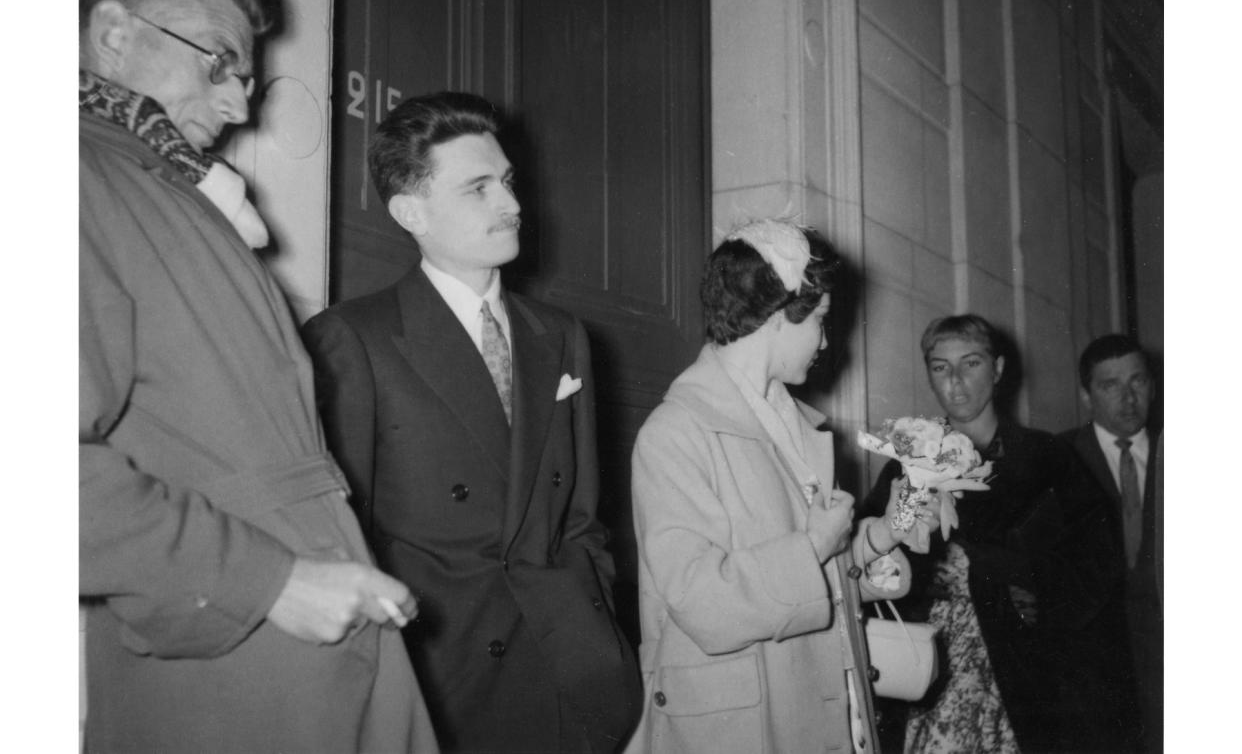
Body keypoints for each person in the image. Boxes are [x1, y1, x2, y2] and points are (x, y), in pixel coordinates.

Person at [79, 0, 437, 752]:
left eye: (247, 77)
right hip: (235, 666)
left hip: (302, 646)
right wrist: (266, 581)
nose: (241, 106)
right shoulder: (74, 179)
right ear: (114, 34)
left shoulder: (166, 190)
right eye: (216, 63)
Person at [302, 92, 642, 753]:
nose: (512, 205)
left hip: (568, 677)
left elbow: (580, 519)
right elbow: (342, 541)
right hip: (445, 684)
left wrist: (599, 643)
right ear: (411, 211)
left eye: (508, 183)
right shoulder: (354, 339)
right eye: (478, 188)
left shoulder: (562, 336)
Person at [626, 221, 931, 754]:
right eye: (819, 320)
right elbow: (704, 604)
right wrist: (814, 545)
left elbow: (814, 566)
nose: (826, 341)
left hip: (818, 710)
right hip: (739, 731)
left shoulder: (791, 422)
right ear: (774, 318)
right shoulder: (674, 433)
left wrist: (882, 534)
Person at [861, 314, 1135, 753]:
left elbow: (1095, 566)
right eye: (940, 367)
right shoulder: (907, 465)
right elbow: (872, 561)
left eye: (971, 364)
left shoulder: (1048, 458)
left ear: (999, 369)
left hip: (1029, 672)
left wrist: (998, 569)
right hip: (933, 670)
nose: (956, 381)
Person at [1060, 334, 1163, 752]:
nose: (1128, 398)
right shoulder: (1057, 458)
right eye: (1110, 385)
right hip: (1092, 661)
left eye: (1138, 382)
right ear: (1087, 396)